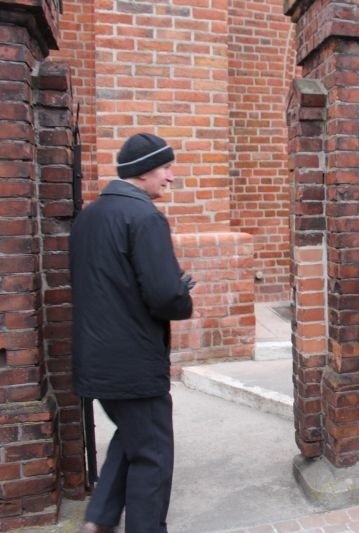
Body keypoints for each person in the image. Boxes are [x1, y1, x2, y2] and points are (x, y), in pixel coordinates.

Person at [70, 133, 195, 533]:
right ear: (143, 172)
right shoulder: (144, 218)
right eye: (166, 168)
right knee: (153, 454)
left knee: (132, 436)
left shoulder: (88, 217)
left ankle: (99, 520)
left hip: (96, 359)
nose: (171, 177)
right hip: (135, 363)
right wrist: (181, 295)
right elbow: (162, 295)